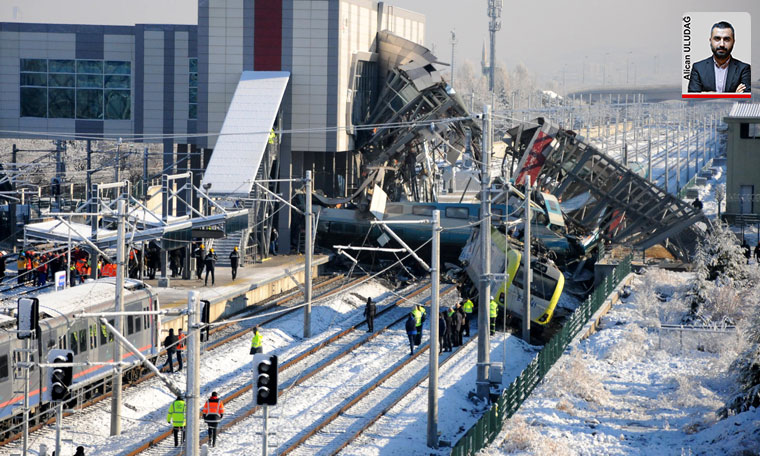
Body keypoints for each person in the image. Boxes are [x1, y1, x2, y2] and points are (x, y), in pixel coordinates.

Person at [688, 21, 751, 94]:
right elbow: (692, 101)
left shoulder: (744, 69)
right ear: (710, 41)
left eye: (727, 39)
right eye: (717, 39)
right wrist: (734, 95)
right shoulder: (698, 68)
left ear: (733, 42)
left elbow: (746, 100)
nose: (722, 44)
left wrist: (706, 95)